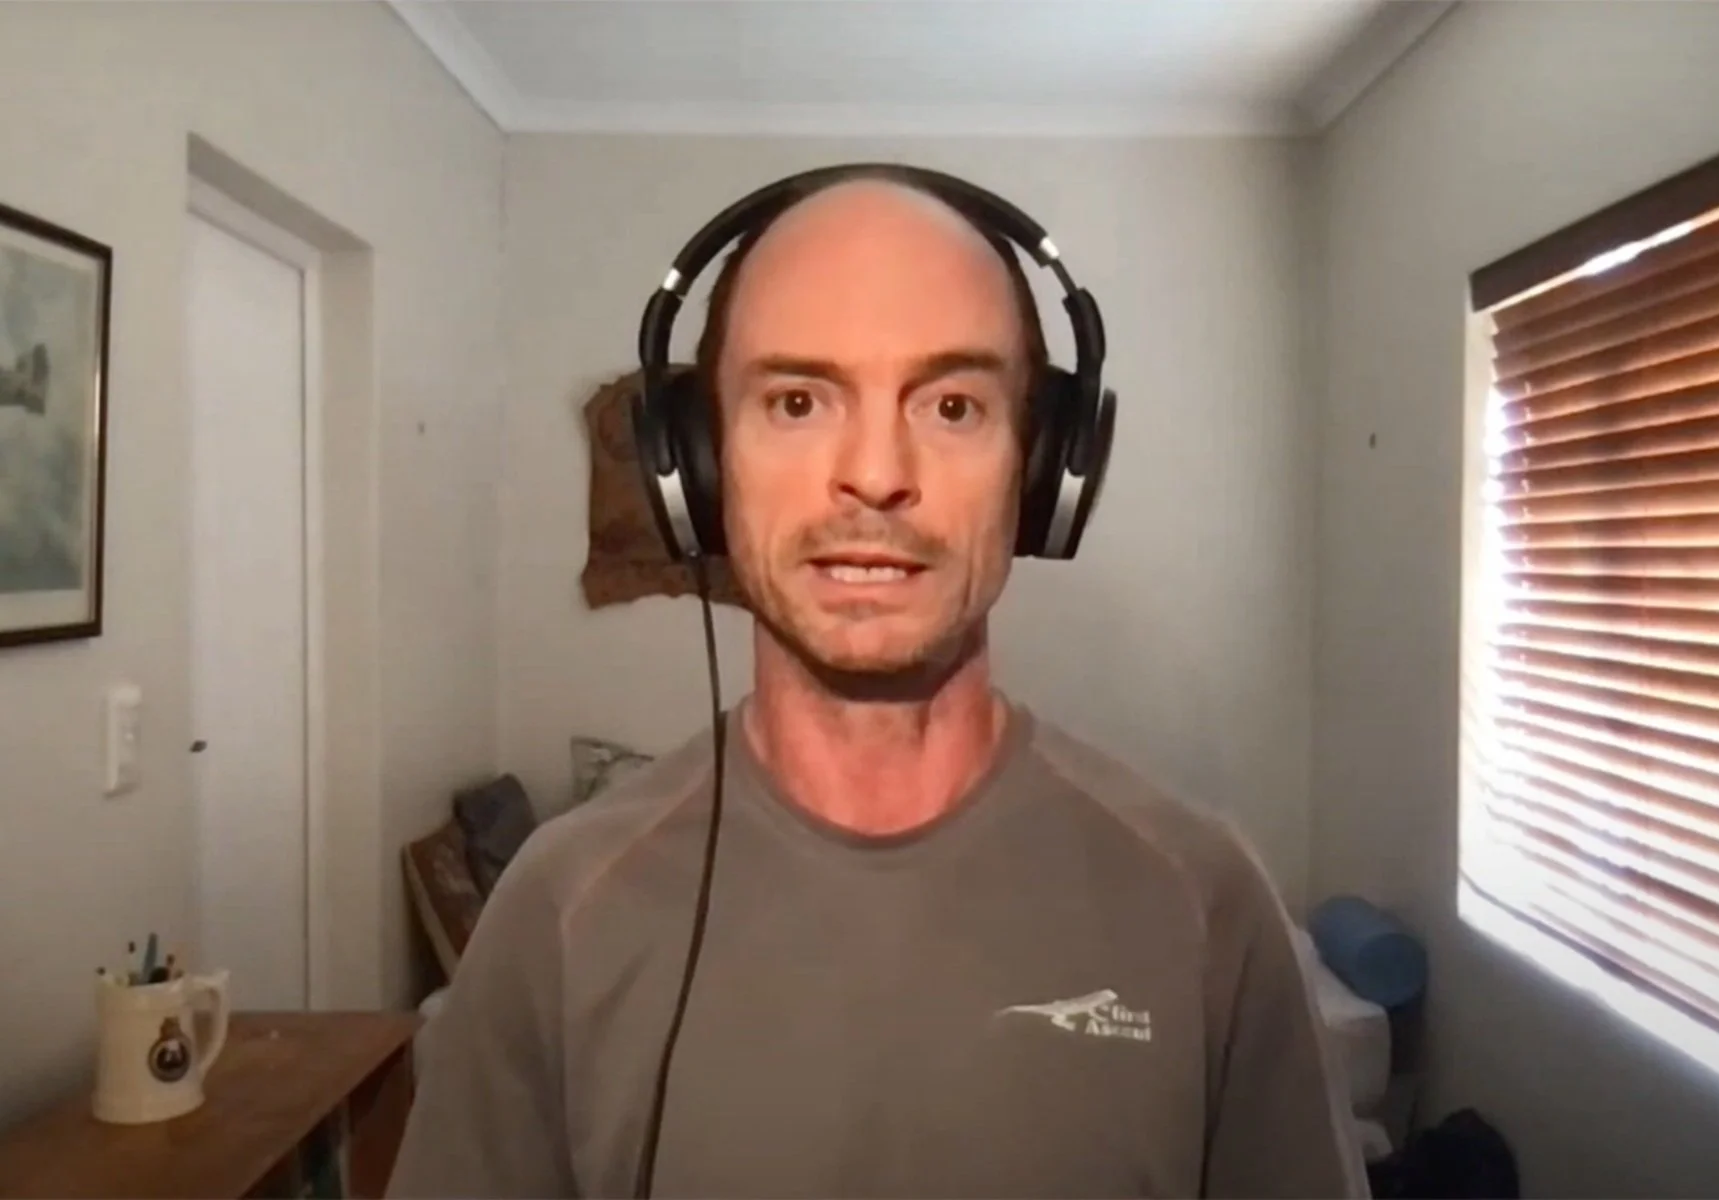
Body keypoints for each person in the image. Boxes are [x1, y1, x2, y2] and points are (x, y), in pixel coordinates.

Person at [387, 168, 1368, 1200]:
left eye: (951, 405)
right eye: (797, 401)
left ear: (1044, 471)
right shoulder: (558, 910)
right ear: (698, 468)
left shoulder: (1206, 903)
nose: (875, 472)